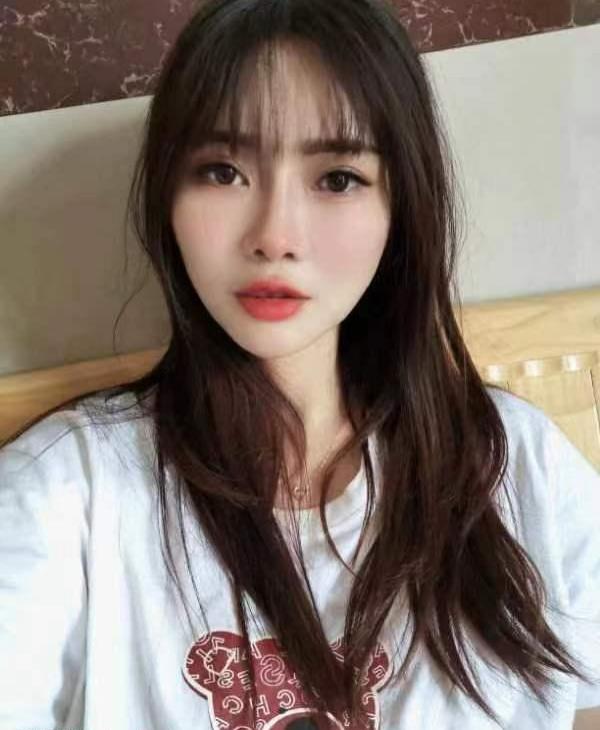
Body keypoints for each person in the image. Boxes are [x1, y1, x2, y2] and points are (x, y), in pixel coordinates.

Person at [1, 0, 599, 728]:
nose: (275, 235)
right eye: (222, 171)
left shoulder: (513, 462)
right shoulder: (68, 491)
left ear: (400, 207)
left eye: (337, 178)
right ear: (167, 198)